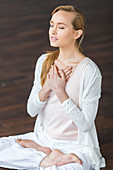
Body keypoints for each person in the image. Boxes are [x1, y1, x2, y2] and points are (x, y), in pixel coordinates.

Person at [0, 5, 106, 170]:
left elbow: (85, 124)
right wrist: (47, 87)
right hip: (44, 139)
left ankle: (46, 157)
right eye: (51, 25)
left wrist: (60, 92)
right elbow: (31, 110)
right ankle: (44, 153)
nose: (53, 31)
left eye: (61, 27)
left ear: (76, 34)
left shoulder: (90, 72)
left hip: (75, 146)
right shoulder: (44, 61)